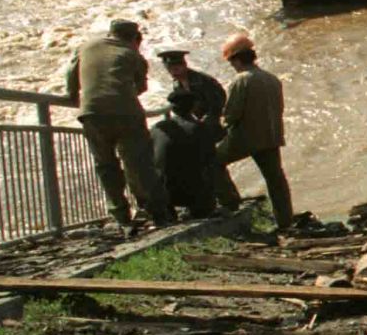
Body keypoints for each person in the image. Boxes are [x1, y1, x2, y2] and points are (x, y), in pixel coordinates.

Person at [64, 19, 169, 234]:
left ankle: (121, 217)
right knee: (139, 163)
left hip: (92, 113)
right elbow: (141, 87)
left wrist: (74, 96)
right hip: (126, 113)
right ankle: (155, 212)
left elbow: (70, 76)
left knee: (105, 165)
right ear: (134, 39)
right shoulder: (133, 54)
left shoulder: (85, 46)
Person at [216, 32, 294, 232]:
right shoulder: (272, 79)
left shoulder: (240, 81)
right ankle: (285, 220)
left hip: (245, 137)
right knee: (275, 178)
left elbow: (232, 115)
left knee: (213, 161)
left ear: (237, 60)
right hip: (271, 136)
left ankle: (230, 204)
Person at [157, 45, 240, 210]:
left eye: (176, 66)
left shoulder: (203, 81)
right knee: (198, 165)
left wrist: (208, 120)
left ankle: (229, 200)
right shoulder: (177, 85)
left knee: (213, 163)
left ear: (184, 65)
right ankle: (210, 200)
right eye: (170, 68)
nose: (173, 71)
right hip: (195, 129)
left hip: (210, 128)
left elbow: (219, 101)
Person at [151, 90, 217, 220]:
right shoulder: (200, 128)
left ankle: (168, 213)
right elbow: (210, 159)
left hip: (164, 193)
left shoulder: (157, 128)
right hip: (192, 192)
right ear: (194, 106)